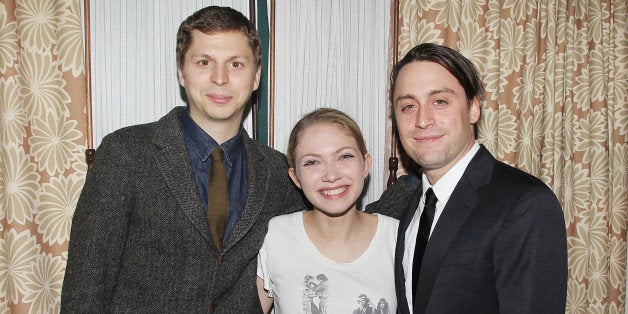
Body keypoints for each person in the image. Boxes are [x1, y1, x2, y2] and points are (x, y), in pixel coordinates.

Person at [61, 6, 306, 312]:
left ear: (256, 77)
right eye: (204, 62)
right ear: (181, 72)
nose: (220, 78)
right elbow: (87, 285)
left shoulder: (279, 172)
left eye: (236, 64)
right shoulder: (126, 153)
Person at [366, 43, 567, 313]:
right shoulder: (411, 208)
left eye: (439, 101)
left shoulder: (526, 204)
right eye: (408, 106)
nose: (422, 120)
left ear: (473, 109)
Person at [256, 108, 398, 313]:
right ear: (295, 177)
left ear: (365, 165)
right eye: (312, 162)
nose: (331, 175)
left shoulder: (397, 238)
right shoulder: (275, 236)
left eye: (344, 156)